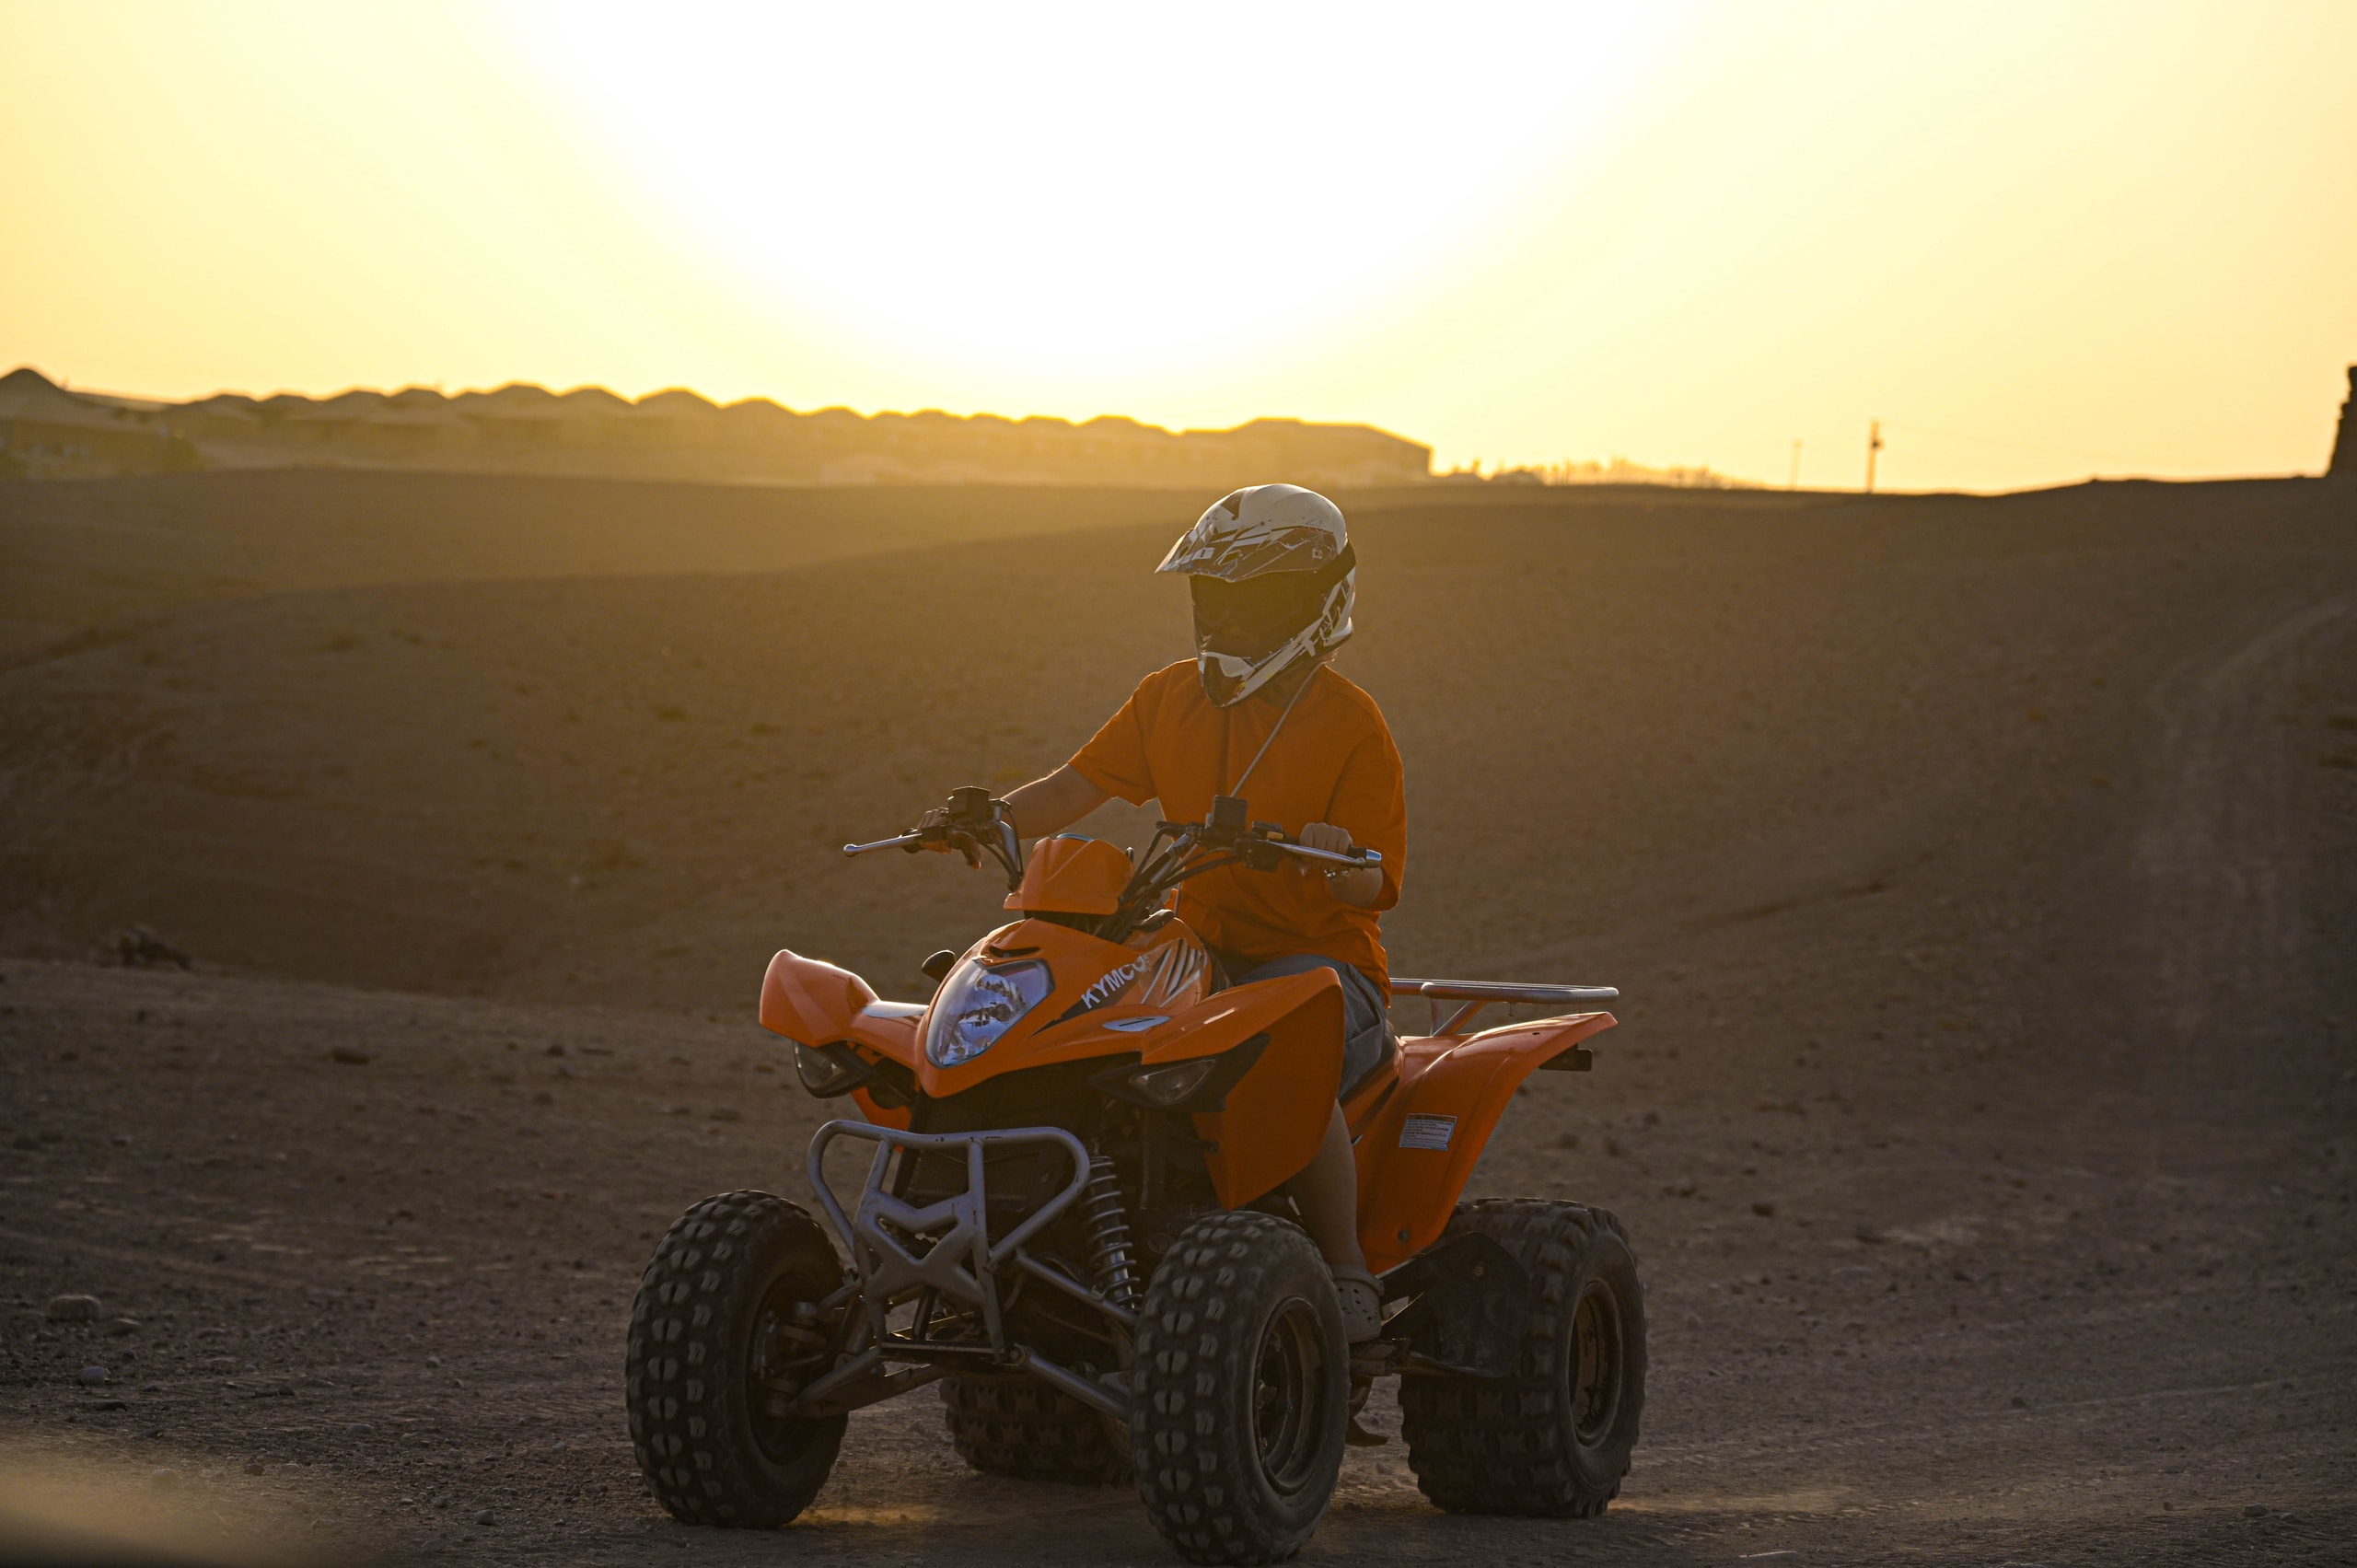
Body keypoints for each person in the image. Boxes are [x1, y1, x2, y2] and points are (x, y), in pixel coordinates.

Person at [919, 483, 1404, 1341]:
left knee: (1287, 1044)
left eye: (1251, 600)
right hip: (1194, 957)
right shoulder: (1169, 697)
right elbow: (1077, 786)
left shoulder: (1352, 724)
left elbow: (1376, 878)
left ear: (1312, 601)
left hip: (1321, 970)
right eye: (1214, 598)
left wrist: (1331, 857)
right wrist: (992, 817)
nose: (1228, 620)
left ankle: (1345, 1270)